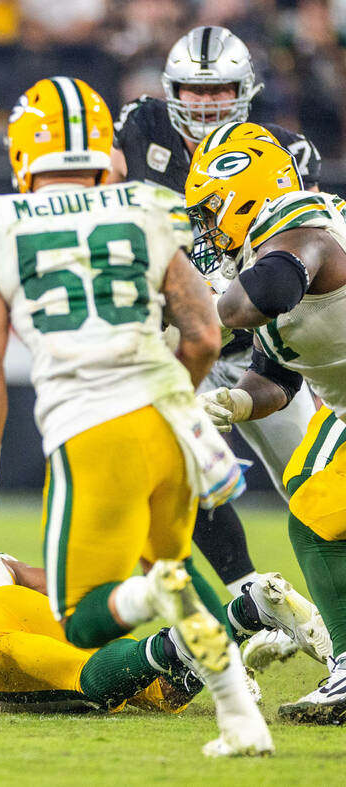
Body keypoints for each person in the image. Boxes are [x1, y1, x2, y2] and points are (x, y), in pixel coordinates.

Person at [0, 75, 269, 757]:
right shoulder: (150, 206)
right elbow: (205, 336)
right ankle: (242, 717)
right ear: (106, 146)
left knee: (85, 615)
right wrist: (173, 398)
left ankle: (155, 597)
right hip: (177, 425)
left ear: (19, 152)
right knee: (175, 559)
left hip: (95, 427)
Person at [109, 25, 320, 616]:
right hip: (181, 347)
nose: (205, 102)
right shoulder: (140, 126)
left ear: (246, 89)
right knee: (180, 473)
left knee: (315, 489)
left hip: (260, 350)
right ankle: (249, 598)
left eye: (219, 89)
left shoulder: (285, 151)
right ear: (172, 89)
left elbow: (297, 254)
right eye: (194, 91)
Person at [187, 136, 346, 724]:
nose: (206, 228)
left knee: (314, 513)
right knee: (310, 484)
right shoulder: (267, 255)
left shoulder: (299, 225)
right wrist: (229, 401)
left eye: (209, 209)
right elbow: (277, 380)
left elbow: (271, 289)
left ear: (238, 192)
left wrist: (196, 309)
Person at [0, 548, 323, 714]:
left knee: (91, 686)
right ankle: (247, 611)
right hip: (26, 604)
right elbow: (56, 587)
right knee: (155, 695)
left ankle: (195, 640)